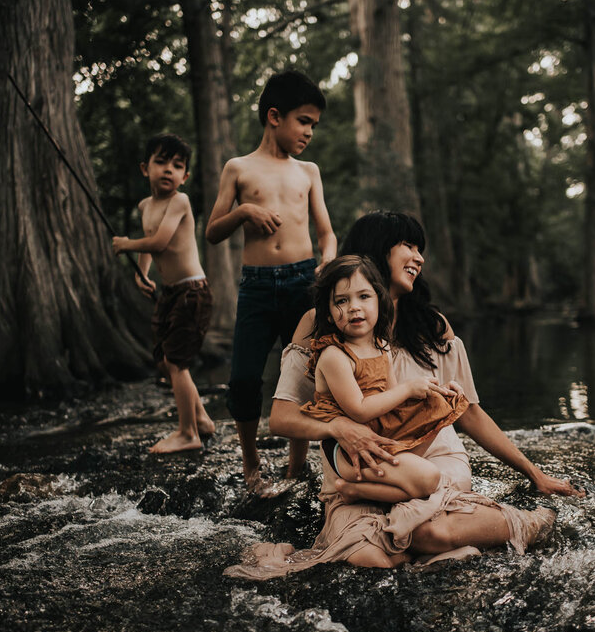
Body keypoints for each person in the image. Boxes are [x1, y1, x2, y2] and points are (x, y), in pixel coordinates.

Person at [224, 212, 582, 579]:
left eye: (420, 248)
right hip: (359, 472)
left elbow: (470, 414)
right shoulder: (321, 325)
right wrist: (340, 427)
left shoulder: (432, 326)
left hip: (431, 463)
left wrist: (534, 473)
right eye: (408, 246)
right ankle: (448, 551)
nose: (419, 257)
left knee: (427, 531)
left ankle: (523, 523)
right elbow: (283, 419)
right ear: (379, 250)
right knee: (367, 557)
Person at [205, 70, 337, 491]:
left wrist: (328, 262)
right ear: (274, 116)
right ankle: (251, 465)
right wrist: (244, 213)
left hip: (303, 283)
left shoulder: (308, 172)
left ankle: (296, 468)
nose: (309, 132)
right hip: (258, 286)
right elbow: (212, 231)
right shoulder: (238, 169)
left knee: (300, 376)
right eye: (304, 121)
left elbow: (326, 234)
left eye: (314, 124)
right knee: (245, 377)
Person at [302, 255, 468, 504]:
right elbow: (359, 411)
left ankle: (396, 472)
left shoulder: (381, 345)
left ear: (380, 302)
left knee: (441, 403)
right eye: (341, 301)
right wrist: (409, 388)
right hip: (351, 451)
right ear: (328, 314)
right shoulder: (334, 356)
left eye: (364, 296)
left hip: (381, 434)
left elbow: (393, 402)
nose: (353, 307)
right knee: (430, 479)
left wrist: (435, 392)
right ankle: (354, 489)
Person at [112, 133, 214, 454]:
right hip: (170, 293)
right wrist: (141, 273)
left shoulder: (179, 202)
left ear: (185, 176)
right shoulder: (145, 205)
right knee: (164, 361)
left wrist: (126, 244)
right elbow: (150, 244)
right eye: (161, 162)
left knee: (177, 362)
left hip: (192, 292)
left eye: (177, 165)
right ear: (145, 169)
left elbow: (160, 243)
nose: (168, 170)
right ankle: (203, 420)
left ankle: (188, 433)